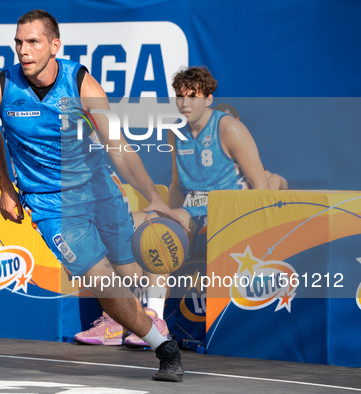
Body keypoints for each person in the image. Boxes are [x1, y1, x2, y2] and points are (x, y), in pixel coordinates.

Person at [0, 9, 186, 382]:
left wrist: (152, 195)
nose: (23, 51)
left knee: (132, 269)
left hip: (98, 189)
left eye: (33, 42)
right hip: (49, 203)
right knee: (104, 282)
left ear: (54, 46)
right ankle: (164, 349)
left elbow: (118, 147)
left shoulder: (82, 85)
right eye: (19, 43)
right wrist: (6, 186)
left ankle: (146, 253)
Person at [78, 67, 273, 348]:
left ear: (208, 99)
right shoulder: (176, 132)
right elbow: (175, 185)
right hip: (189, 211)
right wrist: (164, 212)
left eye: (192, 97)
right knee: (123, 223)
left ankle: (154, 317)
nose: (184, 104)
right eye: (180, 97)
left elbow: (260, 184)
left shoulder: (227, 126)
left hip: (224, 213)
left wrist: (255, 230)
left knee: (161, 230)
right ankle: (117, 317)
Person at [213, 103, 288, 190]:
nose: (227, 128)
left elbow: (282, 183)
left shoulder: (243, 156)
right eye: (220, 123)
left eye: (232, 122)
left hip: (242, 202)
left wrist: (275, 178)